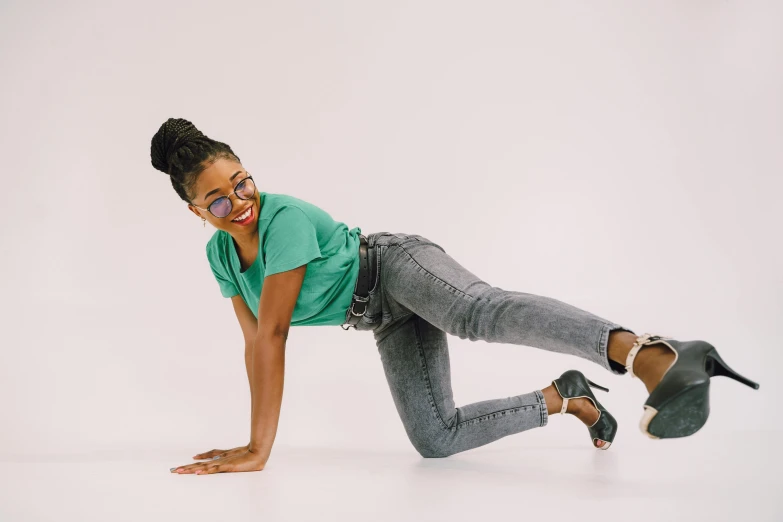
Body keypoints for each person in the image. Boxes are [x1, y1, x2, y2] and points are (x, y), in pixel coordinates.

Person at [151, 118, 760, 475]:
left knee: (478, 313)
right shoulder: (221, 256)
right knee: (434, 439)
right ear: (195, 211)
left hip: (392, 266)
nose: (242, 202)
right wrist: (252, 440)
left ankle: (648, 353)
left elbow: (275, 334)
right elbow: (254, 342)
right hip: (381, 316)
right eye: (222, 201)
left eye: (243, 181)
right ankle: (567, 398)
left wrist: (259, 449)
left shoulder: (280, 221)